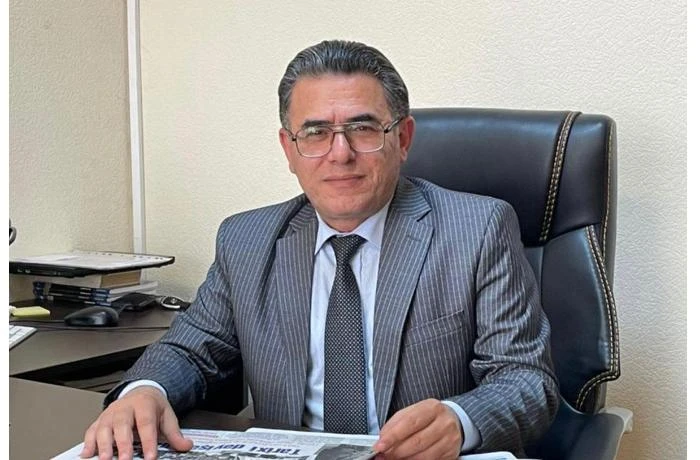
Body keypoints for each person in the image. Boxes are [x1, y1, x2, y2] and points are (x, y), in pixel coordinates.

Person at [80, 40, 558, 460]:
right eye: (315, 133)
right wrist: (145, 390)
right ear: (289, 149)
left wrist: (458, 420)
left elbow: (525, 380)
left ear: (403, 139)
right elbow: (191, 349)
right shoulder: (246, 240)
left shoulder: (477, 229)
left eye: (363, 128)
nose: (340, 153)